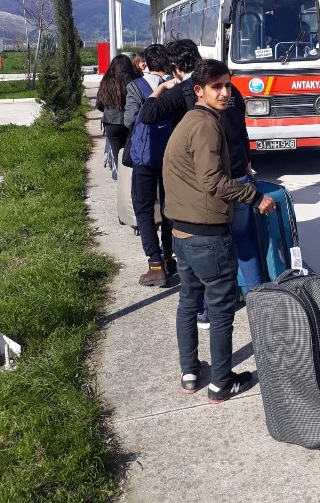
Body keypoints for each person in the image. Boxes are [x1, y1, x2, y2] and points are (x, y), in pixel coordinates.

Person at [162, 59, 274, 403]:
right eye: (217, 87)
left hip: (181, 232)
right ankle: (221, 383)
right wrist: (254, 196)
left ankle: (190, 373)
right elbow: (213, 181)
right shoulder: (206, 126)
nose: (225, 93)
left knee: (188, 301)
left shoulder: (190, 120)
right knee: (221, 308)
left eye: (228, 85)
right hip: (206, 234)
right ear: (199, 90)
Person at [140, 40, 265, 329]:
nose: (222, 91)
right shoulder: (231, 91)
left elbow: (147, 115)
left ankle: (208, 310)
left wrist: (161, 88)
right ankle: (260, 302)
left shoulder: (185, 90)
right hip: (240, 174)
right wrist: (246, 164)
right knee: (244, 242)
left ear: (174, 67)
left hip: (211, 186)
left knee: (213, 251)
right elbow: (242, 130)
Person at [124, 43, 175, 287]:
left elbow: (129, 120)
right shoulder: (176, 86)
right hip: (171, 155)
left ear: (147, 62)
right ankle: (169, 257)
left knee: (143, 208)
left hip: (145, 156)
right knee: (169, 206)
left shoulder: (136, 87)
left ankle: (155, 264)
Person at [96, 54, 139, 167]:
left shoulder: (105, 82)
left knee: (116, 157)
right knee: (130, 157)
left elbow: (99, 104)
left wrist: (109, 111)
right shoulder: (135, 81)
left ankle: (118, 176)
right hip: (130, 124)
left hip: (111, 124)